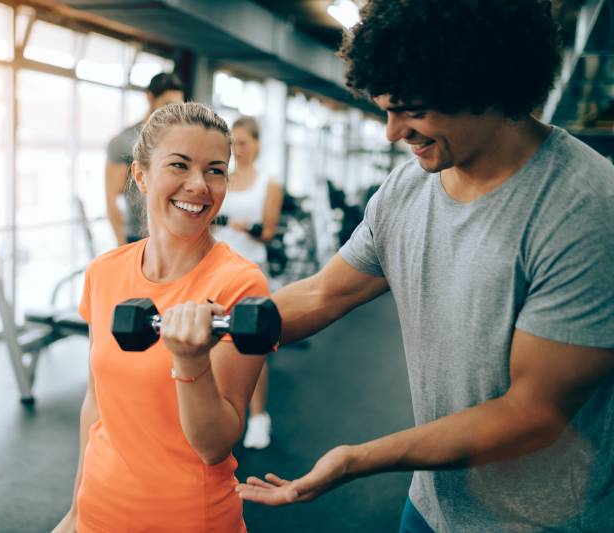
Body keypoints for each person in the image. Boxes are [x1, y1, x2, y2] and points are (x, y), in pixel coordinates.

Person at [235, 1, 614, 532]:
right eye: (385, 109)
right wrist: (214, 323)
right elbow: (325, 293)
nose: (392, 132)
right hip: (432, 505)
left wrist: (358, 459)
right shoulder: (406, 189)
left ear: (486, 86)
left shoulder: (583, 207)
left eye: (411, 110)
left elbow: (532, 414)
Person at [52, 102, 271, 532]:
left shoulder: (239, 285)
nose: (198, 185)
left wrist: (190, 363)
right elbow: (95, 406)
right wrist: (77, 509)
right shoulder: (105, 272)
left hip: (188, 519)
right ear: (141, 173)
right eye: (179, 165)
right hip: (99, 510)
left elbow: (214, 445)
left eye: (214, 170)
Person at [213, 116, 282, 450]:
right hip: (215, 267)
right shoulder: (221, 176)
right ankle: (218, 416)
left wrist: (244, 226)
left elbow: (268, 232)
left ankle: (258, 418)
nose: (238, 150)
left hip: (250, 270)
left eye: (244, 143)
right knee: (211, 344)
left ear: (256, 144)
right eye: (234, 144)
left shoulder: (269, 182)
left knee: (250, 347)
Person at [106, 72, 185, 246]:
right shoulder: (123, 142)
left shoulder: (183, 142)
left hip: (176, 239)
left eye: (177, 106)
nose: (171, 112)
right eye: (167, 104)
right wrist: (122, 248)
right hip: (138, 239)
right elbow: (113, 201)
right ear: (150, 98)